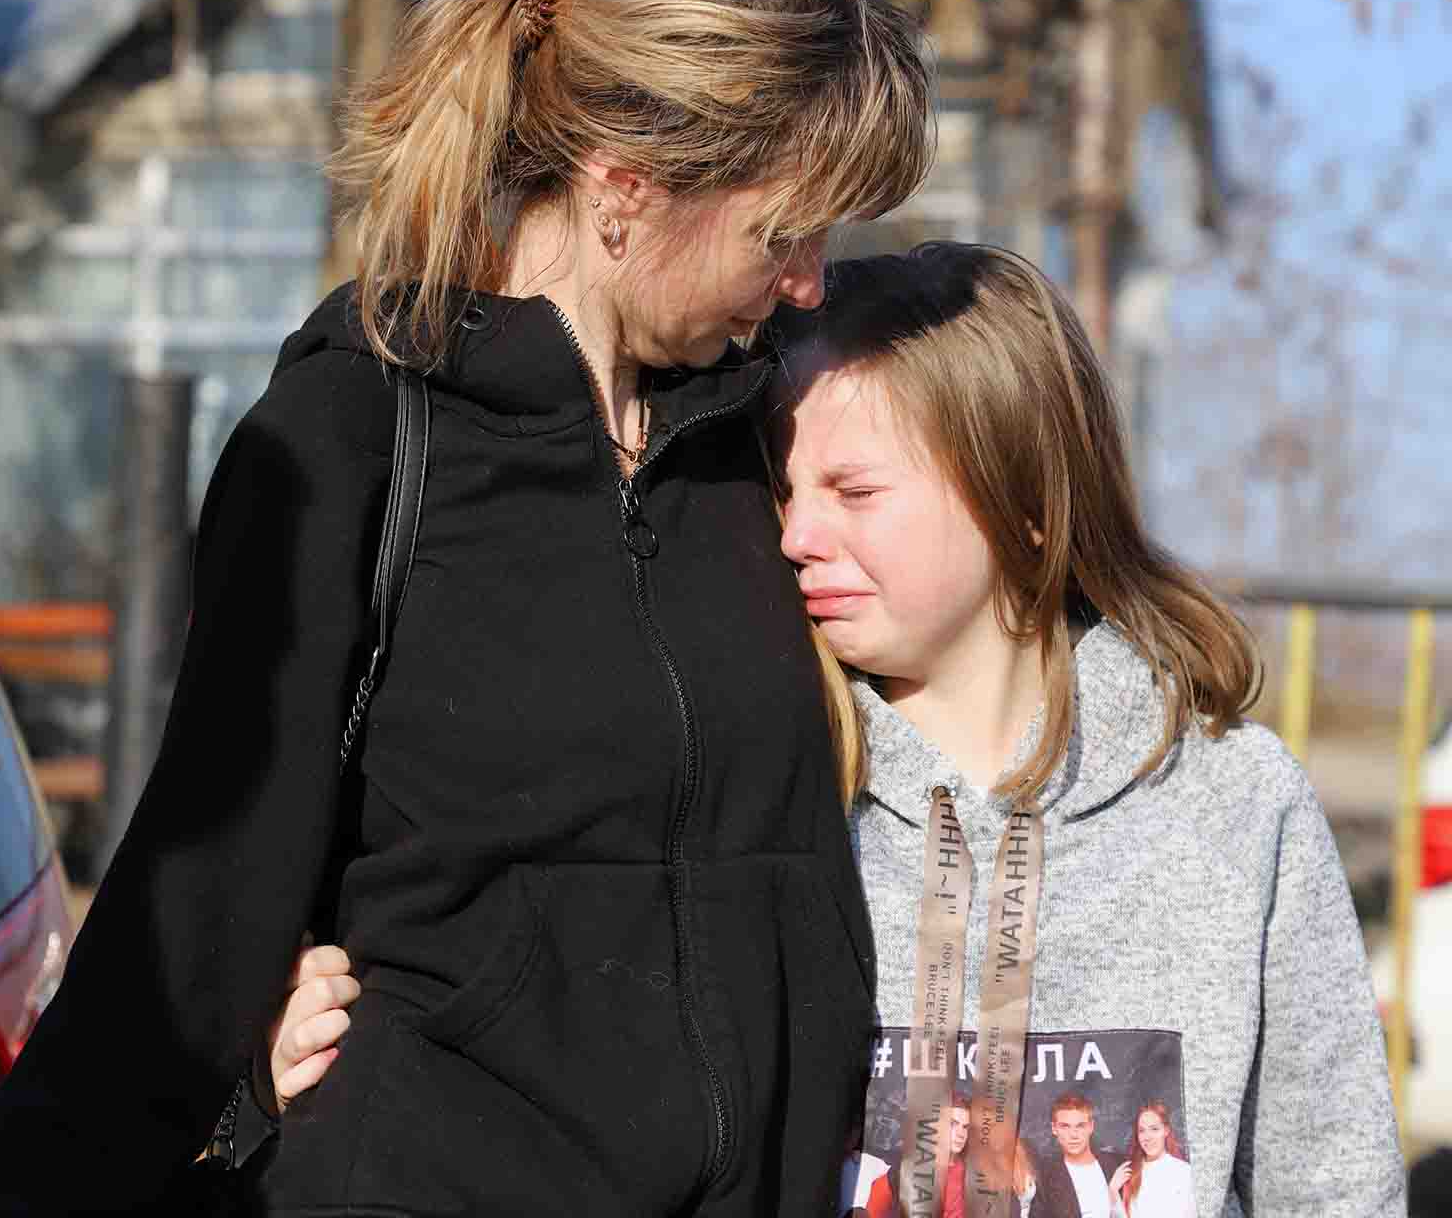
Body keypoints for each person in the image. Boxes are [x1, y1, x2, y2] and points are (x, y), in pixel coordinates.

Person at [0, 0, 930, 1212]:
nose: (808, 279)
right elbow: (196, 906)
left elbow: (989, 607)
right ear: (625, 188)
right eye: (783, 233)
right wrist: (229, 1081)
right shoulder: (352, 440)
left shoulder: (770, 441)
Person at [272, 242, 1407, 1215]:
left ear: (1025, 497)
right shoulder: (756, 783)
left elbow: (1334, 1176)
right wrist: (302, 1027)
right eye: (784, 490)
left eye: (855, 491)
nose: (796, 535)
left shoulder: (1232, 803)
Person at [1033, 1093, 1126, 1218]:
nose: (1073, 1135)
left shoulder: (1115, 1164)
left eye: (1080, 1126)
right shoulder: (1044, 1176)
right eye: (1065, 1126)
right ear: (1054, 1129)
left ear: (1091, 1126)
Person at [1112, 1102, 1194, 1218]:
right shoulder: (1131, 1172)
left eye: (1154, 1129)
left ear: (1166, 1130)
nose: (1147, 1137)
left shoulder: (1184, 1172)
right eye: (1142, 1130)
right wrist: (1113, 1191)